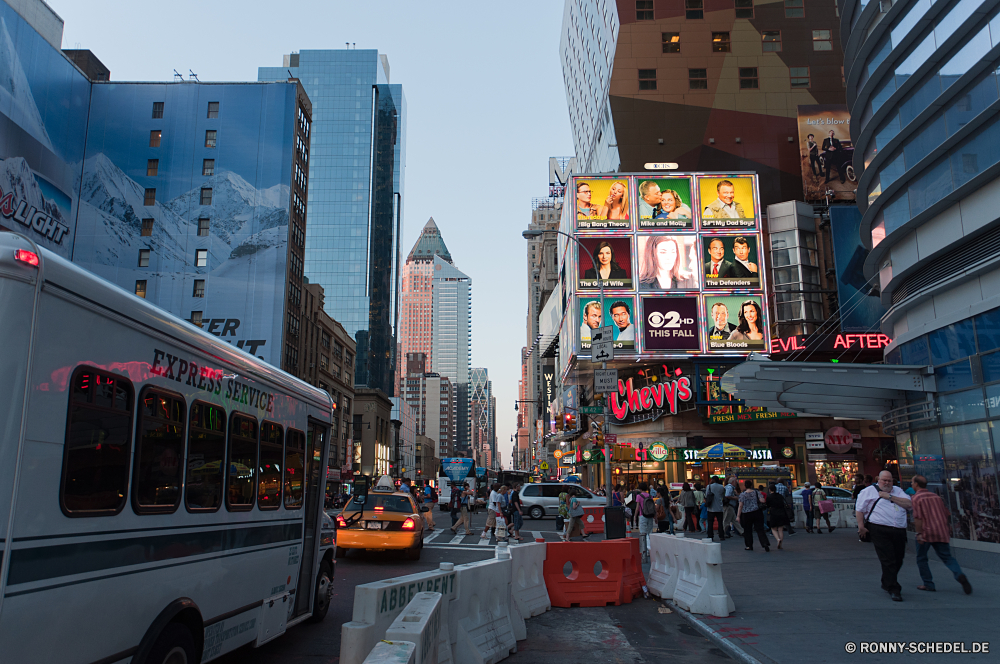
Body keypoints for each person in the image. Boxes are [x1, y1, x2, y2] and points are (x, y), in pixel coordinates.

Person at [856, 471, 913, 602]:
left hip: (898, 529)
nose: (887, 483)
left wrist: (889, 497)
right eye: (884, 480)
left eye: (889, 480)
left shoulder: (897, 491)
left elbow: (908, 504)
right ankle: (894, 588)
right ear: (878, 480)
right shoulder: (868, 491)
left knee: (899, 558)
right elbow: (860, 509)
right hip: (879, 528)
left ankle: (886, 581)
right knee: (888, 558)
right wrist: (861, 527)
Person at [910, 474, 972, 594]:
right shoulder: (936, 497)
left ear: (916, 484)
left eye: (912, 482)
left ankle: (928, 583)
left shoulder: (917, 498)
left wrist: (919, 533)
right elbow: (946, 513)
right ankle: (959, 574)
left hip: (926, 533)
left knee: (922, 558)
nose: (911, 484)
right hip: (940, 531)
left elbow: (918, 518)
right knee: (947, 557)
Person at [736, 479, 770, 552]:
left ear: (745, 486)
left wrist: (738, 516)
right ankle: (765, 543)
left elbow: (740, 505)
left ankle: (749, 545)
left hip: (746, 514)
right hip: (757, 512)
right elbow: (762, 500)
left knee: (747, 530)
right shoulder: (756, 492)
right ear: (751, 485)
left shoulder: (742, 494)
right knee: (760, 529)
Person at [636, 482, 656, 562]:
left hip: (642, 515)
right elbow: (653, 507)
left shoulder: (639, 496)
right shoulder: (650, 496)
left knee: (643, 533)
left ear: (640, 489)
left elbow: (637, 507)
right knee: (649, 533)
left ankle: (645, 550)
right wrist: (656, 517)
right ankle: (650, 549)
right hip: (650, 516)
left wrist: (635, 516)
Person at [766, 483, 789, 549]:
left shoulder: (769, 497)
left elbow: (767, 505)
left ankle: (778, 539)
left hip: (774, 513)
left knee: (773, 528)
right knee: (780, 529)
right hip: (782, 513)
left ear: (770, 490)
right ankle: (780, 544)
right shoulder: (780, 496)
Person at [705, 476, 726, 542]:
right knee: (720, 522)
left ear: (713, 480)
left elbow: (706, 495)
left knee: (710, 522)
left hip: (711, 507)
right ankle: (721, 535)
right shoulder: (721, 487)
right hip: (719, 507)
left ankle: (710, 535)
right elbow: (723, 496)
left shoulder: (709, 486)